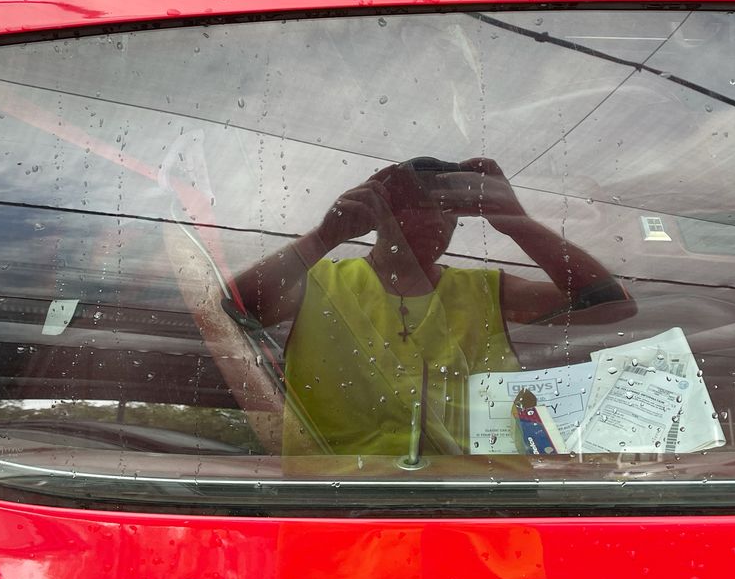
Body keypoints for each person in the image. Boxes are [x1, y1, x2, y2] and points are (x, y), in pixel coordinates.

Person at [231, 157, 630, 457]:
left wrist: (514, 220)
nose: (436, 221)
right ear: (379, 214)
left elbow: (610, 305)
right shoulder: (317, 281)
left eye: (448, 209)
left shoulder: (486, 289)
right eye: (416, 207)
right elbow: (237, 309)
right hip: (327, 513)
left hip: (478, 510)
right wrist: (324, 237)